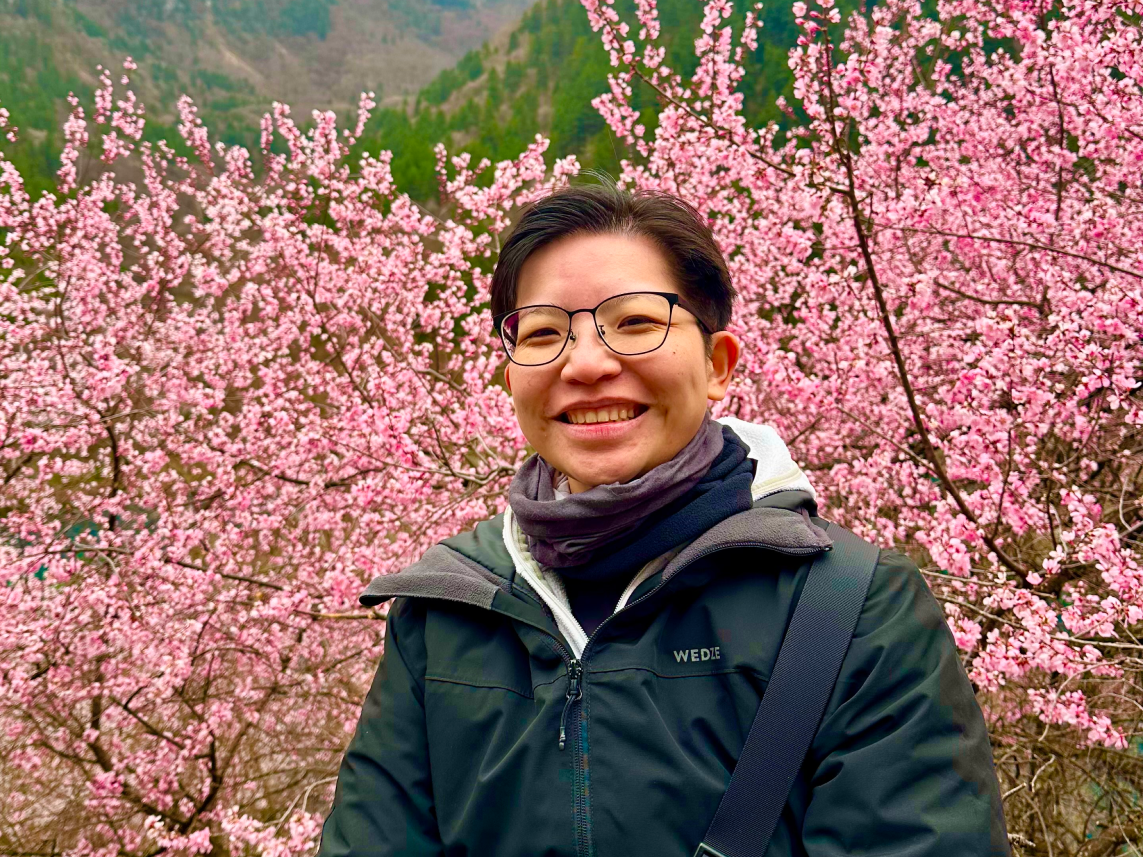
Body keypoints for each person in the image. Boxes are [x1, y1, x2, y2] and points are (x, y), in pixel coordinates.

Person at [318, 183, 1011, 856]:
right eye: (543, 333)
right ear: (510, 378)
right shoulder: (444, 615)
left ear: (717, 364)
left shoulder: (855, 605)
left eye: (637, 322)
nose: (586, 363)